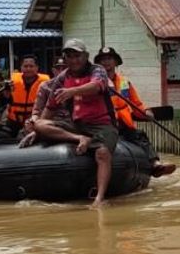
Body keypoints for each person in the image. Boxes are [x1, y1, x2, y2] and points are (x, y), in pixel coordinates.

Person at [33, 39, 118, 208]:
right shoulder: (62, 77)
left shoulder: (97, 70)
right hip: (77, 125)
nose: (74, 60)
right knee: (39, 124)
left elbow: (97, 86)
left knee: (102, 153)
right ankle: (80, 138)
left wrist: (73, 91)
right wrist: (38, 130)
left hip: (102, 124)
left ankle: (99, 198)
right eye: (69, 56)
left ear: (85, 56)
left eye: (77, 56)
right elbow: (50, 107)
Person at [94, 46, 176, 178]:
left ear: (115, 62)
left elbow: (136, 104)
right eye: (103, 60)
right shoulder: (94, 83)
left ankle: (155, 164)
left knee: (140, 136)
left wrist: (146, 112)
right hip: (104, 124)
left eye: (109, 59)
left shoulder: (125, 83)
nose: (106, 62)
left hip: (123, 124)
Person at [0, 54, 50, 137]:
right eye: (25, 66)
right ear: (21, 68)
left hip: (35, 121)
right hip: (13, 122)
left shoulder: (46, 84)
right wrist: (5, 96)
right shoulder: (12, 83)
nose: (28, 69)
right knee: (0, 135)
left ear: (37, 68)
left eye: (31, 66)